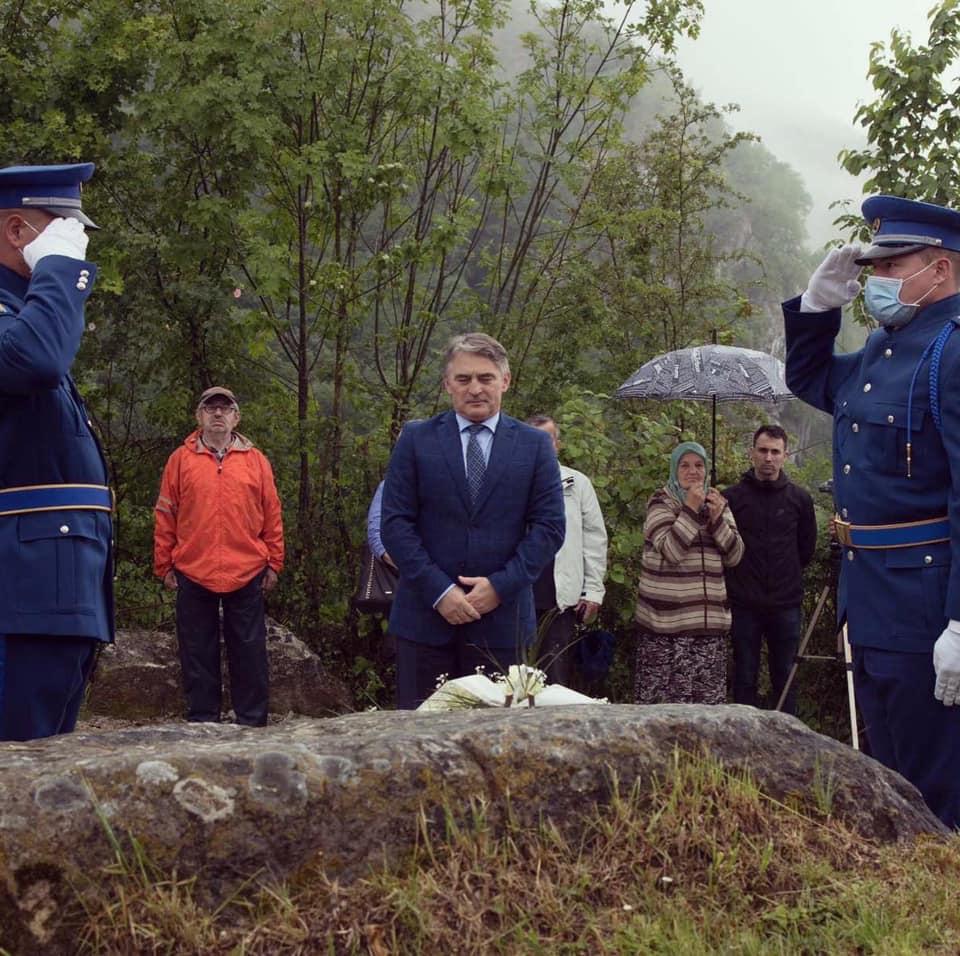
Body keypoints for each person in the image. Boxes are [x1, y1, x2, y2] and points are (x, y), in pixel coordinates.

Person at [783, 194, 960, 828]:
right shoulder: (887, 349)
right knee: (886, 771)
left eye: (890, 266)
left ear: (937, 269)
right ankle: (903, 912)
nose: (876, 281)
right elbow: (809, 380)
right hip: (870, 592)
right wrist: (817, 309)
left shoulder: (951, 351)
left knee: (934, 781)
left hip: (926, 601)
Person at [381, 332, 565, 709]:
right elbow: (396, 524)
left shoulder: (534, 446)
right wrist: (439, 592)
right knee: (418, 741)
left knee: (497, 748)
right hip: (424, 620)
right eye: (464, 379)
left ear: (506, 381)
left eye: (486, 378)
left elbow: (549, 528)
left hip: (502, 623)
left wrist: (498, 587)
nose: (475, 388)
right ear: (448, 383)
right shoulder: (416, 439)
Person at [0, 163, 113, 741]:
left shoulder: (23, 314)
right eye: (63, 228)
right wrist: (62, 272)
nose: (79, 243)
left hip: (49, 594)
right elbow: (36, 360)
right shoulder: (23, 324)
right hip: (18, 596)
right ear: (18, 231)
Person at [154, 386, 284, 726]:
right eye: (210, 408)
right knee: (197, 652)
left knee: (250, 652)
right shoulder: (180, 460)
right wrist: (164, 563)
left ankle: (252, 723)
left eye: (224, 409)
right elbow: (165, 513)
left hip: (247, 568)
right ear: (199, 416)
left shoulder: (256, 460)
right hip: (194, 568)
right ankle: (202, 723)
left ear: (236, 417)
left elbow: (272, 513)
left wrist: (274, 561)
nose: (217, 414)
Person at [634, 441, 744, 705]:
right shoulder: (660, 502)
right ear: (674, 469)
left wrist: (717, 519)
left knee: (707, 714)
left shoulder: (717, 503)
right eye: (685, 465)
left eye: (698, 465)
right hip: (666, 630)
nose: (692, 471)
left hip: (708, 630)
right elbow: (671, 551)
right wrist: (691, 510)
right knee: (663, 711)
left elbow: (736, 555)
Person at [722, 425, 817, 714]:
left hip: (785, 603)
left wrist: (785, 577)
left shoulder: (800, 500)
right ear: (751, 453)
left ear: (785, 456)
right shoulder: (731, 498)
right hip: (743, 603)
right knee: (744, 674)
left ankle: (788, 739)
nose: (768, 458)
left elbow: (806, 548)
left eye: (775, 452)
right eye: (763, 450)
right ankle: (741, 739)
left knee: (785, 675)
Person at [526, 414, 608, 686]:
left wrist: (593, 591)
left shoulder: (577, 484)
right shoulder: (509, 482)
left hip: (560, 598)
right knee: (512, 679)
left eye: (546, 438)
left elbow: (594, 540)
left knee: (555, 678)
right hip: (515, 597)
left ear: (557, 444)